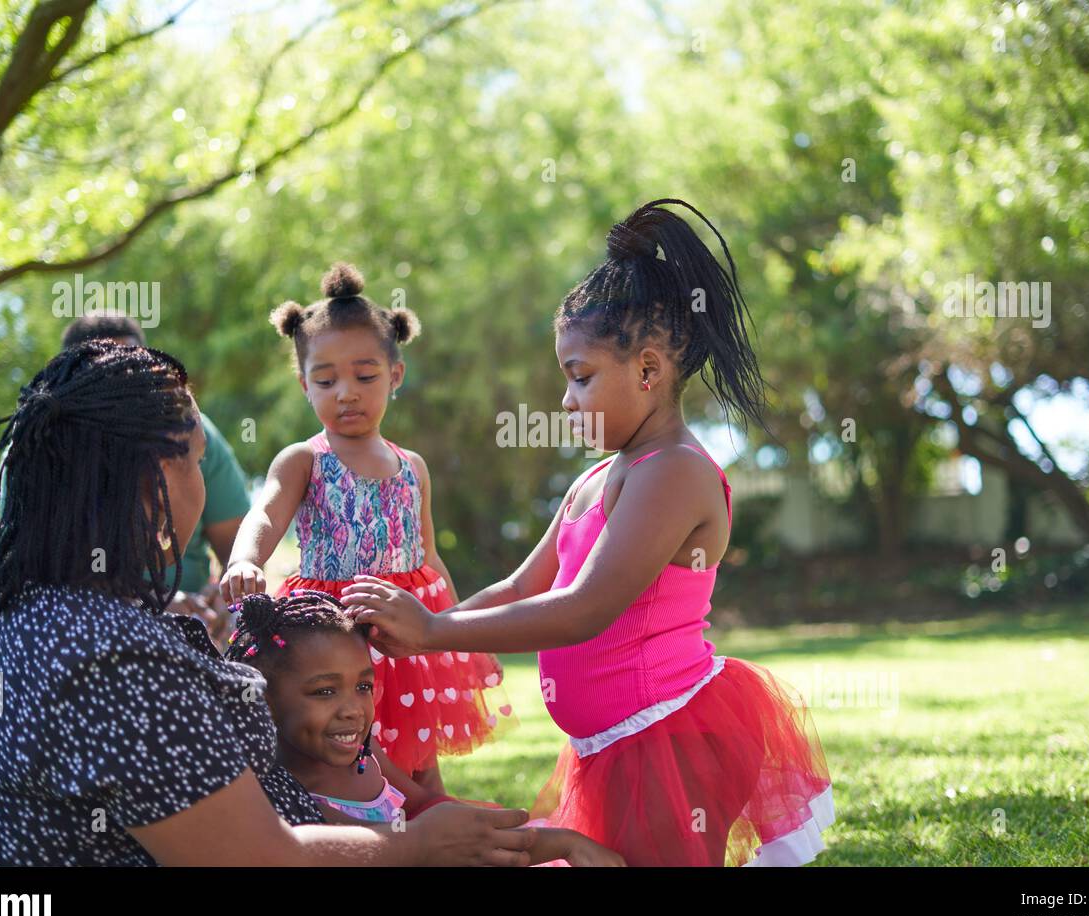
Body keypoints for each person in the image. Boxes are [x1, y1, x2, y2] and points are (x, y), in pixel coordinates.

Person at [342, 199, 836, 866]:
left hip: (669, 739)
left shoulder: (676, 473)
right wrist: (424, 634)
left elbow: (585, 608)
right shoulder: (597, 479)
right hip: (608, 745)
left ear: (649, 370)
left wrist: (433, 631)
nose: (567, 400)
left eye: (580, 377)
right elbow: (523, 585)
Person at [0, 339, 535, 865]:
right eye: (200, 460)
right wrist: (417, 845)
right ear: (159, 474)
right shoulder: (111, 657)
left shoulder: (31, 613)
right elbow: (258, 858)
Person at [221, 263, 515, 793]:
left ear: (395, 375)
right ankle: (372, 830)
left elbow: (427, 553)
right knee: (353, 754)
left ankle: (435, 822)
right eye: (326, 380)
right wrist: (246, 558)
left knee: (420, 749)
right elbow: (263, 513)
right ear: (304, 384)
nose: (346, 393)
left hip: (406, 627)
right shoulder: (302, 459)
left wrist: (446, 623)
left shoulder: (412, 466)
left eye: (365, 375)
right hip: (335, 631)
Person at [223, 590, 622, 866]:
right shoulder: (276, 791)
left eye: (363, 686)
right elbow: (401, 848)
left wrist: (560, 841)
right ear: (264, 699)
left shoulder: (365, 755)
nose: (353, 710)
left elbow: (423, 805)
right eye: (324, 691)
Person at [54, 312, 251, 645]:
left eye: (132, 368)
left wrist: (230, 596)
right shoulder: (41, 451)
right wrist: (146, 606)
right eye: (103, 373)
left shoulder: (192, 432)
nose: (122, 385)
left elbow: (238, 550)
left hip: (197, 622)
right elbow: (42, 579)